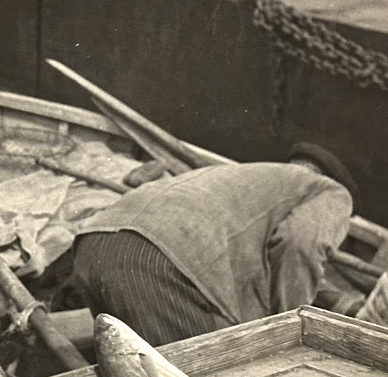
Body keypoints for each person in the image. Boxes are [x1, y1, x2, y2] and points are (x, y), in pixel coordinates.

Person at [69, 143, 358, 347]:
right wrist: (289, 333)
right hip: (157, 264)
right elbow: (301, 245)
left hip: (92, 244)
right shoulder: (333, 192)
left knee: (136, 376)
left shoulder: (247, 177)